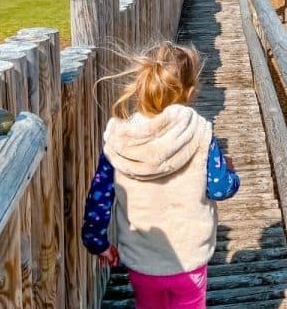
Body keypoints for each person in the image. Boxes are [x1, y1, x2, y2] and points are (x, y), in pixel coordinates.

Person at [82, 42, 240, 309]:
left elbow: (100, 197)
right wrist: (232, 173)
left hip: (142, 260)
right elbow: (220, 188)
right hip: (189, 258)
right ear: (190, 91)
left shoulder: (120, 137)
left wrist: (97, 241)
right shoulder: (200, 133)